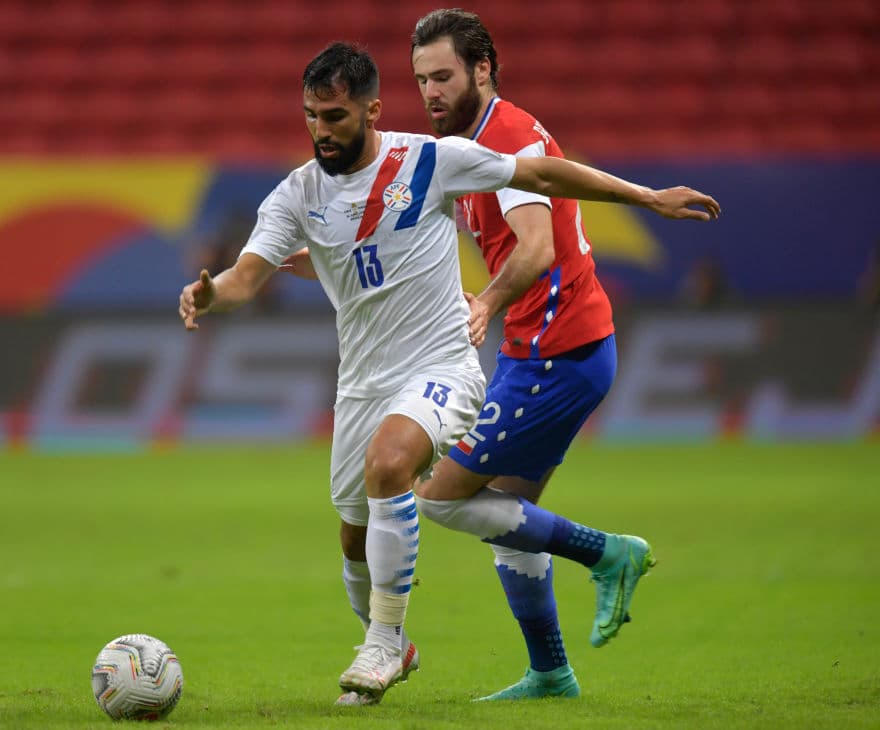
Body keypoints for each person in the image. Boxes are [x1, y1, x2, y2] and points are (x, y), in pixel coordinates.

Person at [178, 42, 718, 707]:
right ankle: (409, 647)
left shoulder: (432, 161)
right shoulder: (297, 193)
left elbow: (544, 175)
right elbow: (246, 277)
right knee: (353, 535)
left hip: (443, 366)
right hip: (363, 384)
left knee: (392, 466)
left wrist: (648, 198)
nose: (322, 131)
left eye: (336, 117)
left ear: (372, 109)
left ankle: (382, 644)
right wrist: (212, 294)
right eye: (312, 116)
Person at [406, 9, 703, 701]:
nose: (430, 93)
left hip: (555, 355)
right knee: (509, 520)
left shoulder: (500, 136)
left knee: (443, 499)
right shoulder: (494, 135)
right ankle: (550, 673)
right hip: (548, 351)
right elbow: (563, 175)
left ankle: (609, 554)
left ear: (483, 68)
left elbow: (536, 248)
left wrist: (486, 302)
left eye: (444, 75)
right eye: (421, 79)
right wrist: (646, 196)